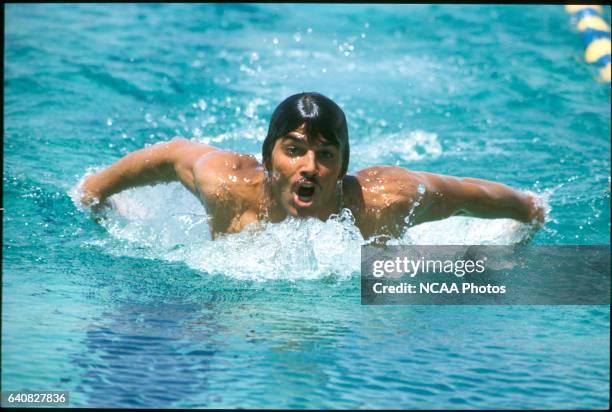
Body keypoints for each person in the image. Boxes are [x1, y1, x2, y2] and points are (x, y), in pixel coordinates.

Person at [81, 92, 545, 240]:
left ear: (343, 166)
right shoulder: (228, 186)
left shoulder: (382, 201)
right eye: (294, 150)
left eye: (325, 155)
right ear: (267, 159)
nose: (310, 167)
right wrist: (96, 190)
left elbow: (463, 193)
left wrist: (526, 208)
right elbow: (169, 154)